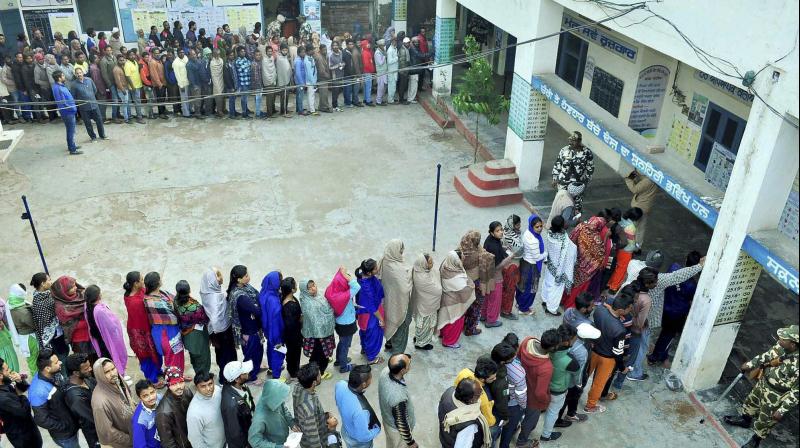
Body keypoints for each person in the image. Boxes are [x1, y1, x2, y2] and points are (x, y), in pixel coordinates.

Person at [723, 325, 798, 448]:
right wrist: (751, 364)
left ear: (793, 344)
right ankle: (745, 420)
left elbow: (797, 392)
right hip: (764, 382)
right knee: (751, 401)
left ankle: (755, 440)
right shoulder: (782, 346)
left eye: (784, 339)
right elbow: (769, 354)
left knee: (765, 419)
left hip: (777, 395)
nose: (779, 341)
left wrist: (782, 410)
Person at [584, 291, 634, 414]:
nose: (630, 312)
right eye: (629, 309)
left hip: (593, 350)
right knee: (598, 384)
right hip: (607, 359)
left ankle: (575, 393)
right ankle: (590, 406)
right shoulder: (620, 330)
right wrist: (622, 368)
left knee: (583, 376)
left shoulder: (599, 310)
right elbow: (618, 353)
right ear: (621, 310)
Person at [648, 251, 702, 366]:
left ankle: (658, 353)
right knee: (667, 336)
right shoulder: (692, 285)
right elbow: (691, 300)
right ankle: (656, 357)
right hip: (677, 314)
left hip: (664, 307)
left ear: (686, 259)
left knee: (664, 332)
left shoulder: (673, 268)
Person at [557, 293, 599, 425]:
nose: (593, 307)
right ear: (583, 309)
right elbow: (579, 373)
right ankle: (567, 415)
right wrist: (579, 383)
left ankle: (568, 412)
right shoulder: (586, 325)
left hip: (565, 353)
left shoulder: (569, 311)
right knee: (573, 391)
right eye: (591, 306)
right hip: (576, 362)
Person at [516, 330, 559, 447]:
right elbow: (540, 393)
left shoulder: (527, 341)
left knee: (517, 412)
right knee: (530, 422)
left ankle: (515, 425)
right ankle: (522, 442)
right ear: (552, 348)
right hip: (533, 399)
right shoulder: (546, 367)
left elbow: (517, 359)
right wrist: (547, 400)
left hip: (519, 388)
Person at [30, 349, 79, 448]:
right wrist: (64, 426)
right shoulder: (38, 391)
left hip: (71, 425)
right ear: (47, 368)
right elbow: (41, 419)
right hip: (65, 436)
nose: (60, 362)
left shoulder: (52, 373)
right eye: (56, 362)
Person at [539, 326, 579, 442]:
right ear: (567, 341)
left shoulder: (547, 347)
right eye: (574, 340)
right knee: (553, 412)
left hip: (543, 385)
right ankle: (546, 435)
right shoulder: (570, 361)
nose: (575, 341)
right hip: (557, 390)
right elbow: (576, 377)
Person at [123, 272, 162, 386]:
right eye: (141, 279)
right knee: (146, 357)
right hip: (141, 332)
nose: (143, 281)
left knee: (153, 354)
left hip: (140, 329)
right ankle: (152, 380)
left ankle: (157, 372)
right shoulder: (136, 302)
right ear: (135, 284)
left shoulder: (134, 293)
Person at [561, 216, 609, 309]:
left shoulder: (581, 227)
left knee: (568, 282)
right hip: (586, 270)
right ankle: (570, 305)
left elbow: (571, 239)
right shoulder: (598, 241)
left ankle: (563, 300)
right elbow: (600, 259)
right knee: (578, 288)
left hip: (573, 263)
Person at [143, 272, 185, 377]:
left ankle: (180, 374)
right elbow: (173, 317)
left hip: (168, 331)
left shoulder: (162, 293)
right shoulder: (152, 301)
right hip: (167, 333)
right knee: (172, 357)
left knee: (178, 355)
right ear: (158, 283)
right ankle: (174, 379)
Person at [198, 268, 236, 381]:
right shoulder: (216, 298)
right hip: (222, 331)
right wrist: (220, 333)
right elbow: (215, 318)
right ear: (211, 281)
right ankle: (226, 378)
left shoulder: (208, 291)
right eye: (217, 275)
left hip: (216, 332)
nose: (221, 277)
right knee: (227, 354)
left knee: (221, 353)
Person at [229, 265, 264, 384]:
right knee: (250, 354)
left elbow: (257, 300)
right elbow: (258, 311)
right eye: (246, 276)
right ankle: (250, 377)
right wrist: (258, 307)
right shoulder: (241, 297)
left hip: (252, 328)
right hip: (248, 331)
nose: (248, 277)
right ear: (239, 279)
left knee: (258, 351)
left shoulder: (245, 287)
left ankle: (256, 368)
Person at [84, 285, 127, 376]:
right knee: (113, 358)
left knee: (107, 358)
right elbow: (111, 327)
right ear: (98, 295)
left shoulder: (87, 306)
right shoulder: (100, 310)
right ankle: (118, 376)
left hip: (98, 338)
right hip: (105, 340)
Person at [0, 356, 43, 448]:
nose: (10, 370)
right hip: (23, 437)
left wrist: (19, 381)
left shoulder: (4, 381)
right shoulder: (2, 398)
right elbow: (24, 411)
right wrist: (20, 395)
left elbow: (24, 388)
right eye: (7, 370)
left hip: (27, 427)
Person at [91, 358, 134, 447]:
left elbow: (129, 398)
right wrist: (131, 440)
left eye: (113, 368)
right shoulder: (100, 403)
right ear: (99, 376)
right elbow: (109, 433)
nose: (113, 373)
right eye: (106, 372)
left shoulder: (117, 380)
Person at [335, 364, 381, 447]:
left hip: (346, 430)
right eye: (370, 378)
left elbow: (338, 403)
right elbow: (363, 437)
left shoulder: (341, 384)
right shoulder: (361, 411)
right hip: (358, 443)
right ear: (363, 384)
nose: (371, 379)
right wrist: (377, 430)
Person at [380, 239, 413, 355]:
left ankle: (389, 344)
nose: (402, 252)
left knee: (390, 322)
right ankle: (397, 354)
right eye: (400, 250)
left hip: (387, 301)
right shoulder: (397, 269)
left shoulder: (383, 261)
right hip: (400, 303)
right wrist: (409, 276)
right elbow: (405, 288)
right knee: (401, 325)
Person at [437, 251, 476, 349]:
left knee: (445, 318)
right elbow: (466, 290)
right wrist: (470, 282)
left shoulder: (446, 265)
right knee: (455, 321)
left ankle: (443, 334)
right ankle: (449, 341)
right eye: (461, 258)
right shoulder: (456, 277)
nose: (463, 259)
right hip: (455, 303)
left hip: (445, 298)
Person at [325, 267, 360, 373]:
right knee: (345, 345)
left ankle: (339, 360)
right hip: (347, 324)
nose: (349, 279)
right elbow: (357, 286)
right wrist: (346, 276)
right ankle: (344, 366)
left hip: (339, 322)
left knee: (342, 342)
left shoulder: (332, 290)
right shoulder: (344, 295)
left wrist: (341, 274)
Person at [438, 378, 491, 448]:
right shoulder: (468, 423)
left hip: (445, 439)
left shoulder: (449, 392)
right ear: (471, 400)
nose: (481, 395)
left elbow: (439, 411)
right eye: (479, 394)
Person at [459, 230, 495, 335]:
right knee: (475, 306)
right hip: (475, 282)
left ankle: (462, 325)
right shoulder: (478, 253)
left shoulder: (461, 248)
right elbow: (487, 255)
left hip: (463, 281)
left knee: (464, 305)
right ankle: (470, 329)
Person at [299, 279, 336, 378]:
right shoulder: (308, 303)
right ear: (305, 290)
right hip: (317, 335)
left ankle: (317, 369)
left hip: (324, 332)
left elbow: (326, 310)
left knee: (319, 354)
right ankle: (320, 373)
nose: (313, 289)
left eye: (313, 285)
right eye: (309, 288)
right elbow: (315, 321)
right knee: (320, 354)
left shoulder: (317, 296)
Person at [378, 354, 417, 448]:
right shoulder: (397, 396)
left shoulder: (386, 371)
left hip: (387, 418)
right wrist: (411, 442)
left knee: (391, 444)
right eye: (409, 363)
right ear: (402, 371)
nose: (410, 361)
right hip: (396, 430)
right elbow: (401, 423)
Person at [541, 216, 577, 316]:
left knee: (547, 283)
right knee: (556, 289)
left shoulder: (550, 233)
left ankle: (545, 300)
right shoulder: (564, 240)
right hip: (559, 269)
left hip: (550, 265)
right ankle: (551, 309)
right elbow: (571, 251)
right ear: (562, 226)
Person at [174, 280, 211, 377]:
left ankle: (198, 374)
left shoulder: (175, 302)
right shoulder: (195, 307)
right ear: (189, 290)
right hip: (197, 335)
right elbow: (204, 319)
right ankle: (204, 376)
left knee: (194, 356)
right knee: (204, 356)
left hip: (186, 334)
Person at [626, 269, 657, 383]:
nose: (656, 283)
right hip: (637, 328)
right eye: (654, 282)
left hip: (626, 323)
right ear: (647, 284)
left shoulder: (630, 287)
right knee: (641, 349)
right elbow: (640, 322)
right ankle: (635, 373)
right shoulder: (646, 299)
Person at [552, 131, 595, 212]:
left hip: (577, 184)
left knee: (576, 205)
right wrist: (555, 178)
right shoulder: (564, 150)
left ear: (579, 141)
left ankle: (575, 221)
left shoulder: (587, 152)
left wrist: (585, 182)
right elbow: (558, 164)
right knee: (561, 202)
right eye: (570, 140)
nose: (570, 142)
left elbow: (590, 168)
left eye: (573, 140)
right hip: (563, 183)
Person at [248, 379, 298, 448]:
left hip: (282, 439)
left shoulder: (274, 398)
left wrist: (291, 423)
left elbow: (284, 409)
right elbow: (254, 440)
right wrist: (276, 447)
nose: (283, 400)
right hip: (273, 444)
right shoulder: (259, 419)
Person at [4, 283, 39, 375]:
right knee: (34, 361)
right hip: (30, 339)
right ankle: (37, 379)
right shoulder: (22, 311)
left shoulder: (9, 304)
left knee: (31, 361)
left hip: (22, 337)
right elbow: (34, 324)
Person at [30, 273, 68, 357]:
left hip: (59, 331)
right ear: (43, 284)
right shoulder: (39, 303)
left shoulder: (48, 293)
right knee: (62, 356)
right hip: (53, 336)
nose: (51, 282)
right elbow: (44, 324)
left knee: (65, 351)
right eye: (49, 280)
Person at [356, 259, 386, 364]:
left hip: (365, 313)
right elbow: (372, 307)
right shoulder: (366, 286)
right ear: (369, 272)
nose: (378, 269)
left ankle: (365, 348)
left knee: (365, 332)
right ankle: (372, 358)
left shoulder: (365, 278)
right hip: (371, 315)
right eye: (376, 268)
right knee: (373, 335)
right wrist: (381, 319)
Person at [606, 207, 643, 293]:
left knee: (614, 266)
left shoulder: (621, 219)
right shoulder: (631, 227)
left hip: (617, 248)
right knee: (621, 269)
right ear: (637, 218)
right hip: (626, 251)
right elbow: (631, 243)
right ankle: (613, 287)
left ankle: (608, 283)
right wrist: (637, 248)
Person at [51, 276, 91, 354]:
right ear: (64, 291)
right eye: (72, 288)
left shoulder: (81, 294)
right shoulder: (61, 307)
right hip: (79, 340)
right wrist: (90, 320)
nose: (76, 288)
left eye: (75, 285)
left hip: (91, 334)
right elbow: (70, 325)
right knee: (84, 361)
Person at [455, 356, 498, 428]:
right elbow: (489, 421)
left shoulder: (465, 371)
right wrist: (493, 422)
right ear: (482, 379)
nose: (495, 379)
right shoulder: (482, 396)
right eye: (492, 378)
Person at [483, 222, 512, 327]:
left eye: (501, 230)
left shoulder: (490, 240)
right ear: (491, 232)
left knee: (487, 297)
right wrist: (509, 258)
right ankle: (491, 320)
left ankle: (483, 315)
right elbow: (498, 266)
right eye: (497, 231)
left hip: (486, 274)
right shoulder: (494, 246)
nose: (501, 232)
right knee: (495, 299)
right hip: (495, 276)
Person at [155, 366, 193, 448]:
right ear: (168, 385)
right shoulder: (163, 412)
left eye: (181, 382)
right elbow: (167, 443)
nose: (179, 386)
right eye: (174, 384)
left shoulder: (187, 391)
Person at [491, 341, 519, 448]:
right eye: (511, 358)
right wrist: (506, 417)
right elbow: (502, 403)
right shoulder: (501, 382)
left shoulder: (485, 360)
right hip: (495, 413)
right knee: (493, 435)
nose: (514, 358)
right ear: (503, 362)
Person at [293, 363, 328, 448]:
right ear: (314, 383)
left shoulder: (299, 386)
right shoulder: (309, 410)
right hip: (312, 441)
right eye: (319, 375)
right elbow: (313, 438)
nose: (321, 375)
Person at [221, 360, 256, 448]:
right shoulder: (231, 405)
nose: (248, 372)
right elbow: (236, 433)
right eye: (244, 372)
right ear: (237, 379)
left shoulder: (242, 386)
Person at [411, 253, 441, 350]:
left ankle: (419, 338)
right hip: (427, 305)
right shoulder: (423, 278)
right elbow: (438, 291)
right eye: (430, 262)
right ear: (424, 264)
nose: (433, 264)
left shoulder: (419, 270)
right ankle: (421, 344)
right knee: (426, 325)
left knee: (422, 324)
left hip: (423, 303)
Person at [187, 372, 225, 448]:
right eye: (203, 386)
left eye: (210, 384)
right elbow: (195, 440)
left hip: (225, 442)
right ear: (196, 387)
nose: (208, 389)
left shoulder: (217, 390)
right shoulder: (194, 412)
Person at [259, 271, 286, 380]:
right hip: (276, 332)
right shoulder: (274, 301)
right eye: (280, 280)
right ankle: (277, 375)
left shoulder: (264, 293)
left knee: (271, 348)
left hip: (267, 330)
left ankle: (272, 368)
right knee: (278, 352)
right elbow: (276, 319)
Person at [517, 215, 546, 315]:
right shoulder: (534, 240)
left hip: (524, 263)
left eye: (541, 226)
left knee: (522, 286)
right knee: (530, 289)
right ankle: (524, 309)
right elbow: (537, 257)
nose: (539, 229)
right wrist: (546, 253)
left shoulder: (527, 232)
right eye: (537, 227)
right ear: (531, 226)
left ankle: (520, 304)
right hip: (532, 266)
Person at [70, 66, 107, 142]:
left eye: (80, 73)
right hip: (84, 108)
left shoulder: (89, 80)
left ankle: (102, 135)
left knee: (99, 121)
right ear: (75, 75)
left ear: (83, 73)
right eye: (77, 73)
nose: (79, 74)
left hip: (94, 105)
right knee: (88, 123)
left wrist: (90, 98)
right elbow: (74, 97)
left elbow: (95, 90)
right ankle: (93, 137)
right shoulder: (73, 85)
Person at [50, 69, 82, 155]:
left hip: (70, 112)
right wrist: (72, 109)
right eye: (63, 76)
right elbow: (63, 103)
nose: (64, 77)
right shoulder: (58, 88)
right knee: (70, 131)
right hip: (68, 113)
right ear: (59, 78)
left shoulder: (61, 86)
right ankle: (72, 149)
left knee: (71, 130)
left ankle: (72, 145)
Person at [624, 170, 658, 247]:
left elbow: (635, 189)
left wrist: (628, 179)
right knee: (641, 228)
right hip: (647, 207)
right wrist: (639, 175)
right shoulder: (656, 180)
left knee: (632, 227)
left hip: (638, 208)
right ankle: (638, 245)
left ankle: (631, 245)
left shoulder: (647, 181)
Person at [500, 215, 523, 320]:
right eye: (517, 224)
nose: (519, 226)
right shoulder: (511, 237)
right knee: (509, 290)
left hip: (505, 265)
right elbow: (520, 252)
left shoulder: (504, 231)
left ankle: (501, 307)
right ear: (512, 225)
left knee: (505, 288)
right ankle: (506, 311)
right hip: (511, 267)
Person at [131, 380, 161, 448]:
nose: (151, 397)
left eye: (152, 392)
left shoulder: (159, 398)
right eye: (145, 396)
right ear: (140, 398)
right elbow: (139, 446)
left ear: (155, 390)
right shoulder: (139, 421)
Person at [123, 50, 145, 123]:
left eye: (133, 55)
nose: (132, 56)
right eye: (130, 55)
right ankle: (139, 118)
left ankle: (139, 114)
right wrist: (132, 87)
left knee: (138, 101)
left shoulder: (135, 62)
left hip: (138, 84)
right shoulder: (127, 64)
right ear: (127, 56)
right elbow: (127, 76)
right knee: (137, 102)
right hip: (133, 87)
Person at [172, 49, 191, 117]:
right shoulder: (175, 62)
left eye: (183, 52)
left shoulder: (186, 58)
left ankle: (189, 111)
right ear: (177, 54)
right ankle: (186, 114)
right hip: (182, 83)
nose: (182, 54)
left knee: (188, 98)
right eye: (180, 53)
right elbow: (177, 75)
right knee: (184, 99)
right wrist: (181, 85)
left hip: (189, 82)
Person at [235, 46, 252, 118]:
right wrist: (248, 66)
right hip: (242, 83)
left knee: (246, 97)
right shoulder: (238, 61)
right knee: (243, 98)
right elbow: (246, 70)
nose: (244, 53)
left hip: (247, 81)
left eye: (244, 51)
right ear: (238, 53)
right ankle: (244, 113)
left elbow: (249, 66)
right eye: (242, 51)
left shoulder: (245, 59)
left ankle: (246, 109)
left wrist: (248, 66)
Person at [276, 44, 293, 116]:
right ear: (280, 50)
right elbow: (282, 70)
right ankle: (282, 111)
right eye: (283, 50)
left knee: (287, 96)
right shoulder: (279, 58)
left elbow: (288, 68)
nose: (285, 51)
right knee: (283, 96)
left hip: (287, 79)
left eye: (286, 50)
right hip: (282, 80)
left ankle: (285, 109)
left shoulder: (286, 57)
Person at [396, 36, 411, 104]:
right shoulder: (403, 50)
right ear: (405, 43)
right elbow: (402, 62)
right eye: (407, 43)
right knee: (402, 86)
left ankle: (402, 98)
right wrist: (404, 71)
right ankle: (401, 100)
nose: (408, 44)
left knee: (403, 85)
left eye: (409, 43)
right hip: (403, 71)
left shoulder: (405, 49)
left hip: (405, 70)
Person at [373, 39, 388, 106]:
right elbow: (380, 63)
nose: (384, 46)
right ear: (380, 46)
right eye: (383, 45)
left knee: (384, 86)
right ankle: (378, 101)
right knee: (380, 87)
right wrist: (384, 56)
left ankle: (381, 100)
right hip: (380, 73)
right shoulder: (377, 53)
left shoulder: (382, 51)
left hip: (384, 72)